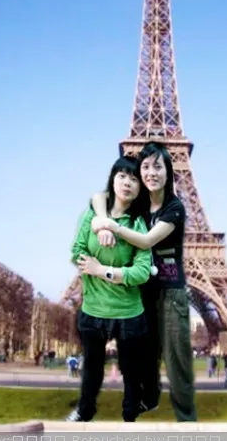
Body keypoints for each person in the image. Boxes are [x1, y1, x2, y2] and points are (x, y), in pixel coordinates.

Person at [91, 142, 197, 422]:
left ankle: (187, 422)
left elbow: (148, 240)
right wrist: (101, 218)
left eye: (157, 167)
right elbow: (100, 196)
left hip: (170, 293)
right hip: (141, 293)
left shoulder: (175, 207)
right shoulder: (137, 204)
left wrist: (111, 226)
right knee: (142, 355)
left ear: (168, 171)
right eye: (145, 167)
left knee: (176, 362)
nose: (151, 173)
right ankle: (148, 398)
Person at [65, 156, 152, 423]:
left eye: (134, 179)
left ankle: (130, 419)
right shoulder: (91, 214)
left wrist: (101, 270)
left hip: (128, 312)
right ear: (113, 178)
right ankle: (84, 411)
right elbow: (76, 251)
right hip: (94, 308)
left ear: (140, 187)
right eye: (122, 176)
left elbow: (142, 271)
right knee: (92, 368)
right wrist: (101, 225)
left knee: (131, 371)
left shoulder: (138, 225)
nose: (127, 183)